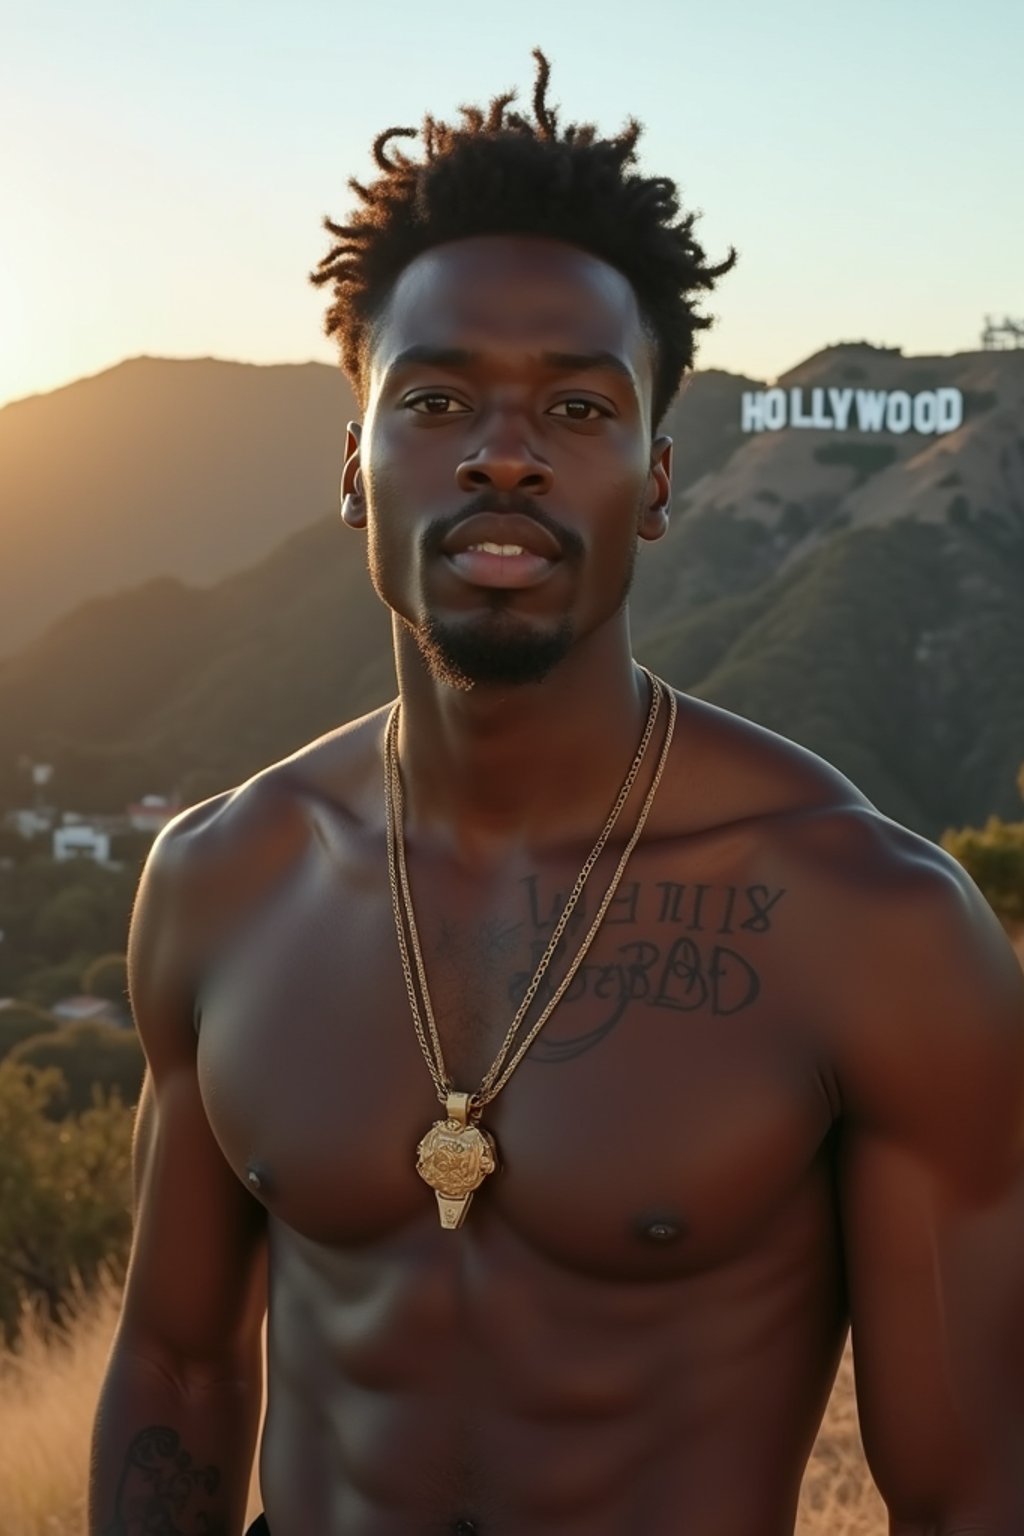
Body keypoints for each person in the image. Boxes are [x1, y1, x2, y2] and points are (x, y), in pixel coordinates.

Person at [90, 50, 1024, 1536]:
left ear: (658, 477)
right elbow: (182, 1369)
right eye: (440, 398)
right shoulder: (224, 879)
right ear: (356, 464)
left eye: (580, 412)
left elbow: (973, 1492)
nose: (506, 457)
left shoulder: (872, 924)